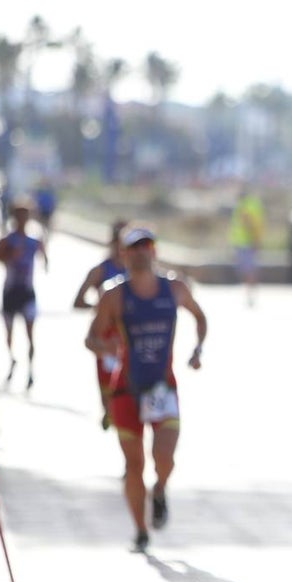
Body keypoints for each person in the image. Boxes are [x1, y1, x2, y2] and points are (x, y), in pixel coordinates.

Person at [85, 225, 207, 552]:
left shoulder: (175, 289)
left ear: (154, 251)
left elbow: (200, 317)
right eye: (133, 248)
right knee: (134, 465)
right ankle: (140, 530)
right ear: (123, 254)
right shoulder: (114, 295)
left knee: (164, 457)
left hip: (162, 388)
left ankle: (161, 489)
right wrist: (107, 349)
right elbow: (91, 337)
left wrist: (197, 350)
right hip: (126, 390)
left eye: (146, 246)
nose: (140, 252)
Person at [0, 198, 49, 388]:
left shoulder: (35, 241)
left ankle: (30, 370)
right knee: (9, 333)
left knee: (31, 335)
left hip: (27, 292)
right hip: (10, 292)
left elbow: (45, 261)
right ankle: (12, 359)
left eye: (26, 215)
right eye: (19, 215)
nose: (22, 219)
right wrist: (7, 255)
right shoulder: (7, 240)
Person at [73, 219, 129, 429]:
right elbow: (78, 301)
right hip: (106, 337)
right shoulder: (101, 270)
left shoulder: (140, 272)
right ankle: (110, 413)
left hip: (130, 336)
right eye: (120, 243)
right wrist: (101, 308)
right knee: (109, 390)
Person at [227, 185, 264, 306]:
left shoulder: (245, 206)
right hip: (242, 243)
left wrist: (254, 242)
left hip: (246, 244)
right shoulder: (245, 204)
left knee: (248, 270)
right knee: (247, 270)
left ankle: (250, 295)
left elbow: (250, 225)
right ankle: (250, 293)